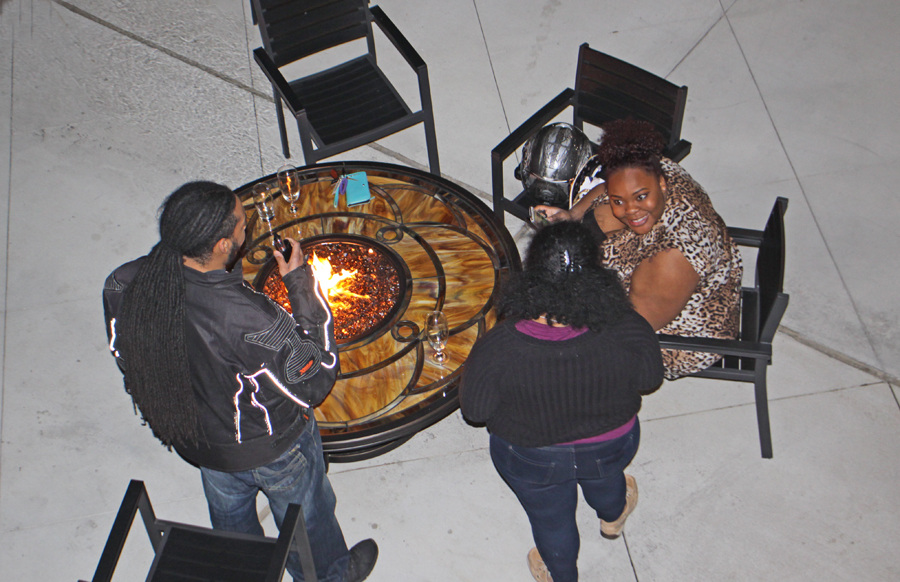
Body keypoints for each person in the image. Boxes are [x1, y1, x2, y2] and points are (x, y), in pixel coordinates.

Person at [102, 181, 377, 582]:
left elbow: (124, 355)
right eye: (243, 227)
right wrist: (300, 282)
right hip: (274, 448)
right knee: (309, 519)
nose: (246, 232)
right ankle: (329, 575)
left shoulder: (123, 283)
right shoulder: (248, 318)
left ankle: (244, 571)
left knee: (232, 523)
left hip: (201, 442)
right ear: (220, 246)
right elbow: (315, 378)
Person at [459, 222, 664, 582]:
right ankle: (612, 517)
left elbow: (476, 412)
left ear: (531, 275)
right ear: (596, 273)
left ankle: (561, 574)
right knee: (605, 477)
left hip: (531, 457)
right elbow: (650, 381)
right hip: (611, 443)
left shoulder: (499, 347)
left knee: (551, 519)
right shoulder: (626, 325)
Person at [537, 119, 743, 379]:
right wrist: (573, 215)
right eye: (619, 200)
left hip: (675, 333)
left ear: (662, 184)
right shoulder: (653, 169)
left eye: (641, 197)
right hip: (645, 271)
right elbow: (606, 187)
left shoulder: (675, 256)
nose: (631, 210)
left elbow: (628, 330)